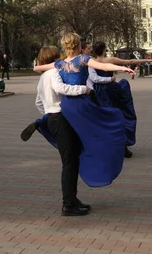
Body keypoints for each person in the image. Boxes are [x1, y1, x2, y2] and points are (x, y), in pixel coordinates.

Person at [34, 33, 135, 187]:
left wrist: (38, 66)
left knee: (77, 136)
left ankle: (44, 124)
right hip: (81, 102)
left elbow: (37, 68)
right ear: (79, 46)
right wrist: (122, 68)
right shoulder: (83, 59)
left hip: (66, 105)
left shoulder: (59, 64)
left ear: (65, 47)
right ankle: (103, 158)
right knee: (110, 121)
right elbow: (104, 66)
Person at [21, 46, 93, 216]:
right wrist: (84, 89)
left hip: (54, 118)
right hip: (62, 118)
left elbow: (39, 102)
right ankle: (68, 204)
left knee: (71, 159)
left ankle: (72, 199)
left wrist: (48, 113)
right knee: (69, 162)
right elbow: (61, 89)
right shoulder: (54, 72)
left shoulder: (43, 77)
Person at [88, 41, 148, 158]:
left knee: (104, 119)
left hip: (99, 93)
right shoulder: (109, 60)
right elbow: (129, 62)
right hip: (111, 90)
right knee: (120, 115)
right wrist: (144, 60)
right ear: (104, 49)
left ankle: (108, 146)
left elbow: (93, 78)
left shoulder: (91, 62)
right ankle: (122, 145)